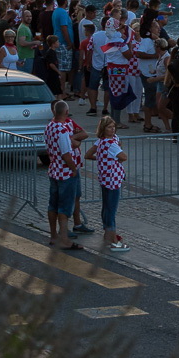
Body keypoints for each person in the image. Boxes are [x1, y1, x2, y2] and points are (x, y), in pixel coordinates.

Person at [85, 116, 129, 251]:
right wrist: (112, 158)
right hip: (113, 179)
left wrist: (101, 158)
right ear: (103, 129)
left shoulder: (101, 141)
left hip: (104, 177)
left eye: (113, 126)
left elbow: (88, 155)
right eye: (110, 127)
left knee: (106, 206)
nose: (113, 129)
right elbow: (124, 157)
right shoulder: (110, 144)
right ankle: (112, 238)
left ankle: (107, 233)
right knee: (111, 208)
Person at [43, 101, 83, 251]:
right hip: (65, 172)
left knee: (52, 204)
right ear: (66, 112)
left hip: (54, 169)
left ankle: (53, 236)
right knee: (64, 207)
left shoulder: (49, 126)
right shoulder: (62, 130)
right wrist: (73, 169)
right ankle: (64, 239)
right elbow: (66, 154)